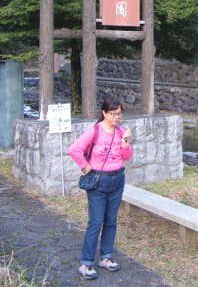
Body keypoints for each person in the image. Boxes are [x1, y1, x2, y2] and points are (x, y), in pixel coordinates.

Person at [68, 96, 132, 280]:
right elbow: (74, 149)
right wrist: (85, 165)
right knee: (96, 222)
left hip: (117, 179)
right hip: (98, 181)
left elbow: (126, 156)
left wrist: (125, 141)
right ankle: (86, 262)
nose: (116, 118)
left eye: (119, 114)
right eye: (113, 114)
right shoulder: (94, 131)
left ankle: (106, 257)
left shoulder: (120, 132)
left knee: (111, 220)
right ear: (104, 113)